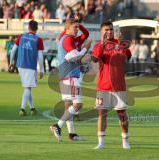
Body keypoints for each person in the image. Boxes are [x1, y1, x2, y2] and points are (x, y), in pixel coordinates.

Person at [91, 21, 131, 149]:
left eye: (111, 29)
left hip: (119, 86)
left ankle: (125, 141)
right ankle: (101, 143)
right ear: (101, 31)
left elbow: (127, 58)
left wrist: (120, 44)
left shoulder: (121, 44)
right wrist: (102, 45)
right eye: (106, 30)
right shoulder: (98, 46)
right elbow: (95, 59)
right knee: (102, 114)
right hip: (103, 86)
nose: (109, 32)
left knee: (122, 115)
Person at [50, 19, 91, 142]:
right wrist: (85, 49)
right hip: (70, 76)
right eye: (75, 27)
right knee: (78, 105)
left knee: (68, 106)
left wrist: (78, 23)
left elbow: (85, 35)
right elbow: (73, 56)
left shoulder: (69, 39)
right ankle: (57, 125)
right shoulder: (67, 39)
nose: (77, 29)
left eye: (78, 27)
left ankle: (72, 134)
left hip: (65, 76)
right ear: (67, 28)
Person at [9, 20, 44, 116]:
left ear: (28, 27)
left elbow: (13, 51)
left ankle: (32, 108)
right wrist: (41, 70)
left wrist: (11, 63)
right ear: (37, 28)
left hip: (20, 65)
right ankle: (22, 109)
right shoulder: (38, 39)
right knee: (28, 88)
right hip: (30, 66)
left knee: (27, 87)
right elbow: (40, 56)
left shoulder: (21, 36)